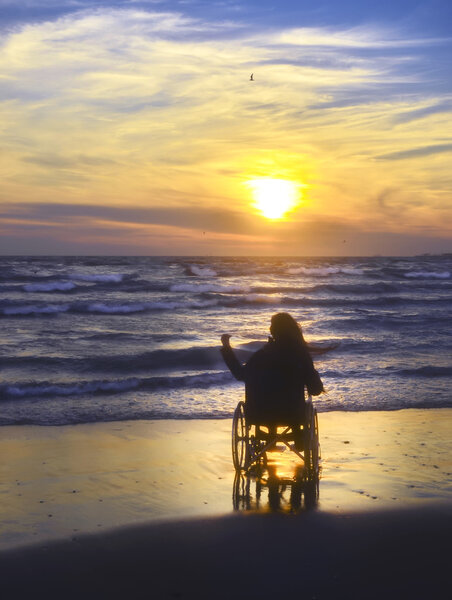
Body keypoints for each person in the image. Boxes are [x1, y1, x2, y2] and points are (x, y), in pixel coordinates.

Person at [221, 312, 327, 446]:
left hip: (258, 413)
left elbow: (240, 374)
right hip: (293, 414)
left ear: (273, 331)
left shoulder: (261, 355)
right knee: (291, 398)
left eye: (271, 326)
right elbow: (315, 389)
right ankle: (298, 435)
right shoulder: (300, 355)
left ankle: (270, 435)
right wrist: (312, 374)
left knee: (269, 391)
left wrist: (226, 348)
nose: (269, 329)